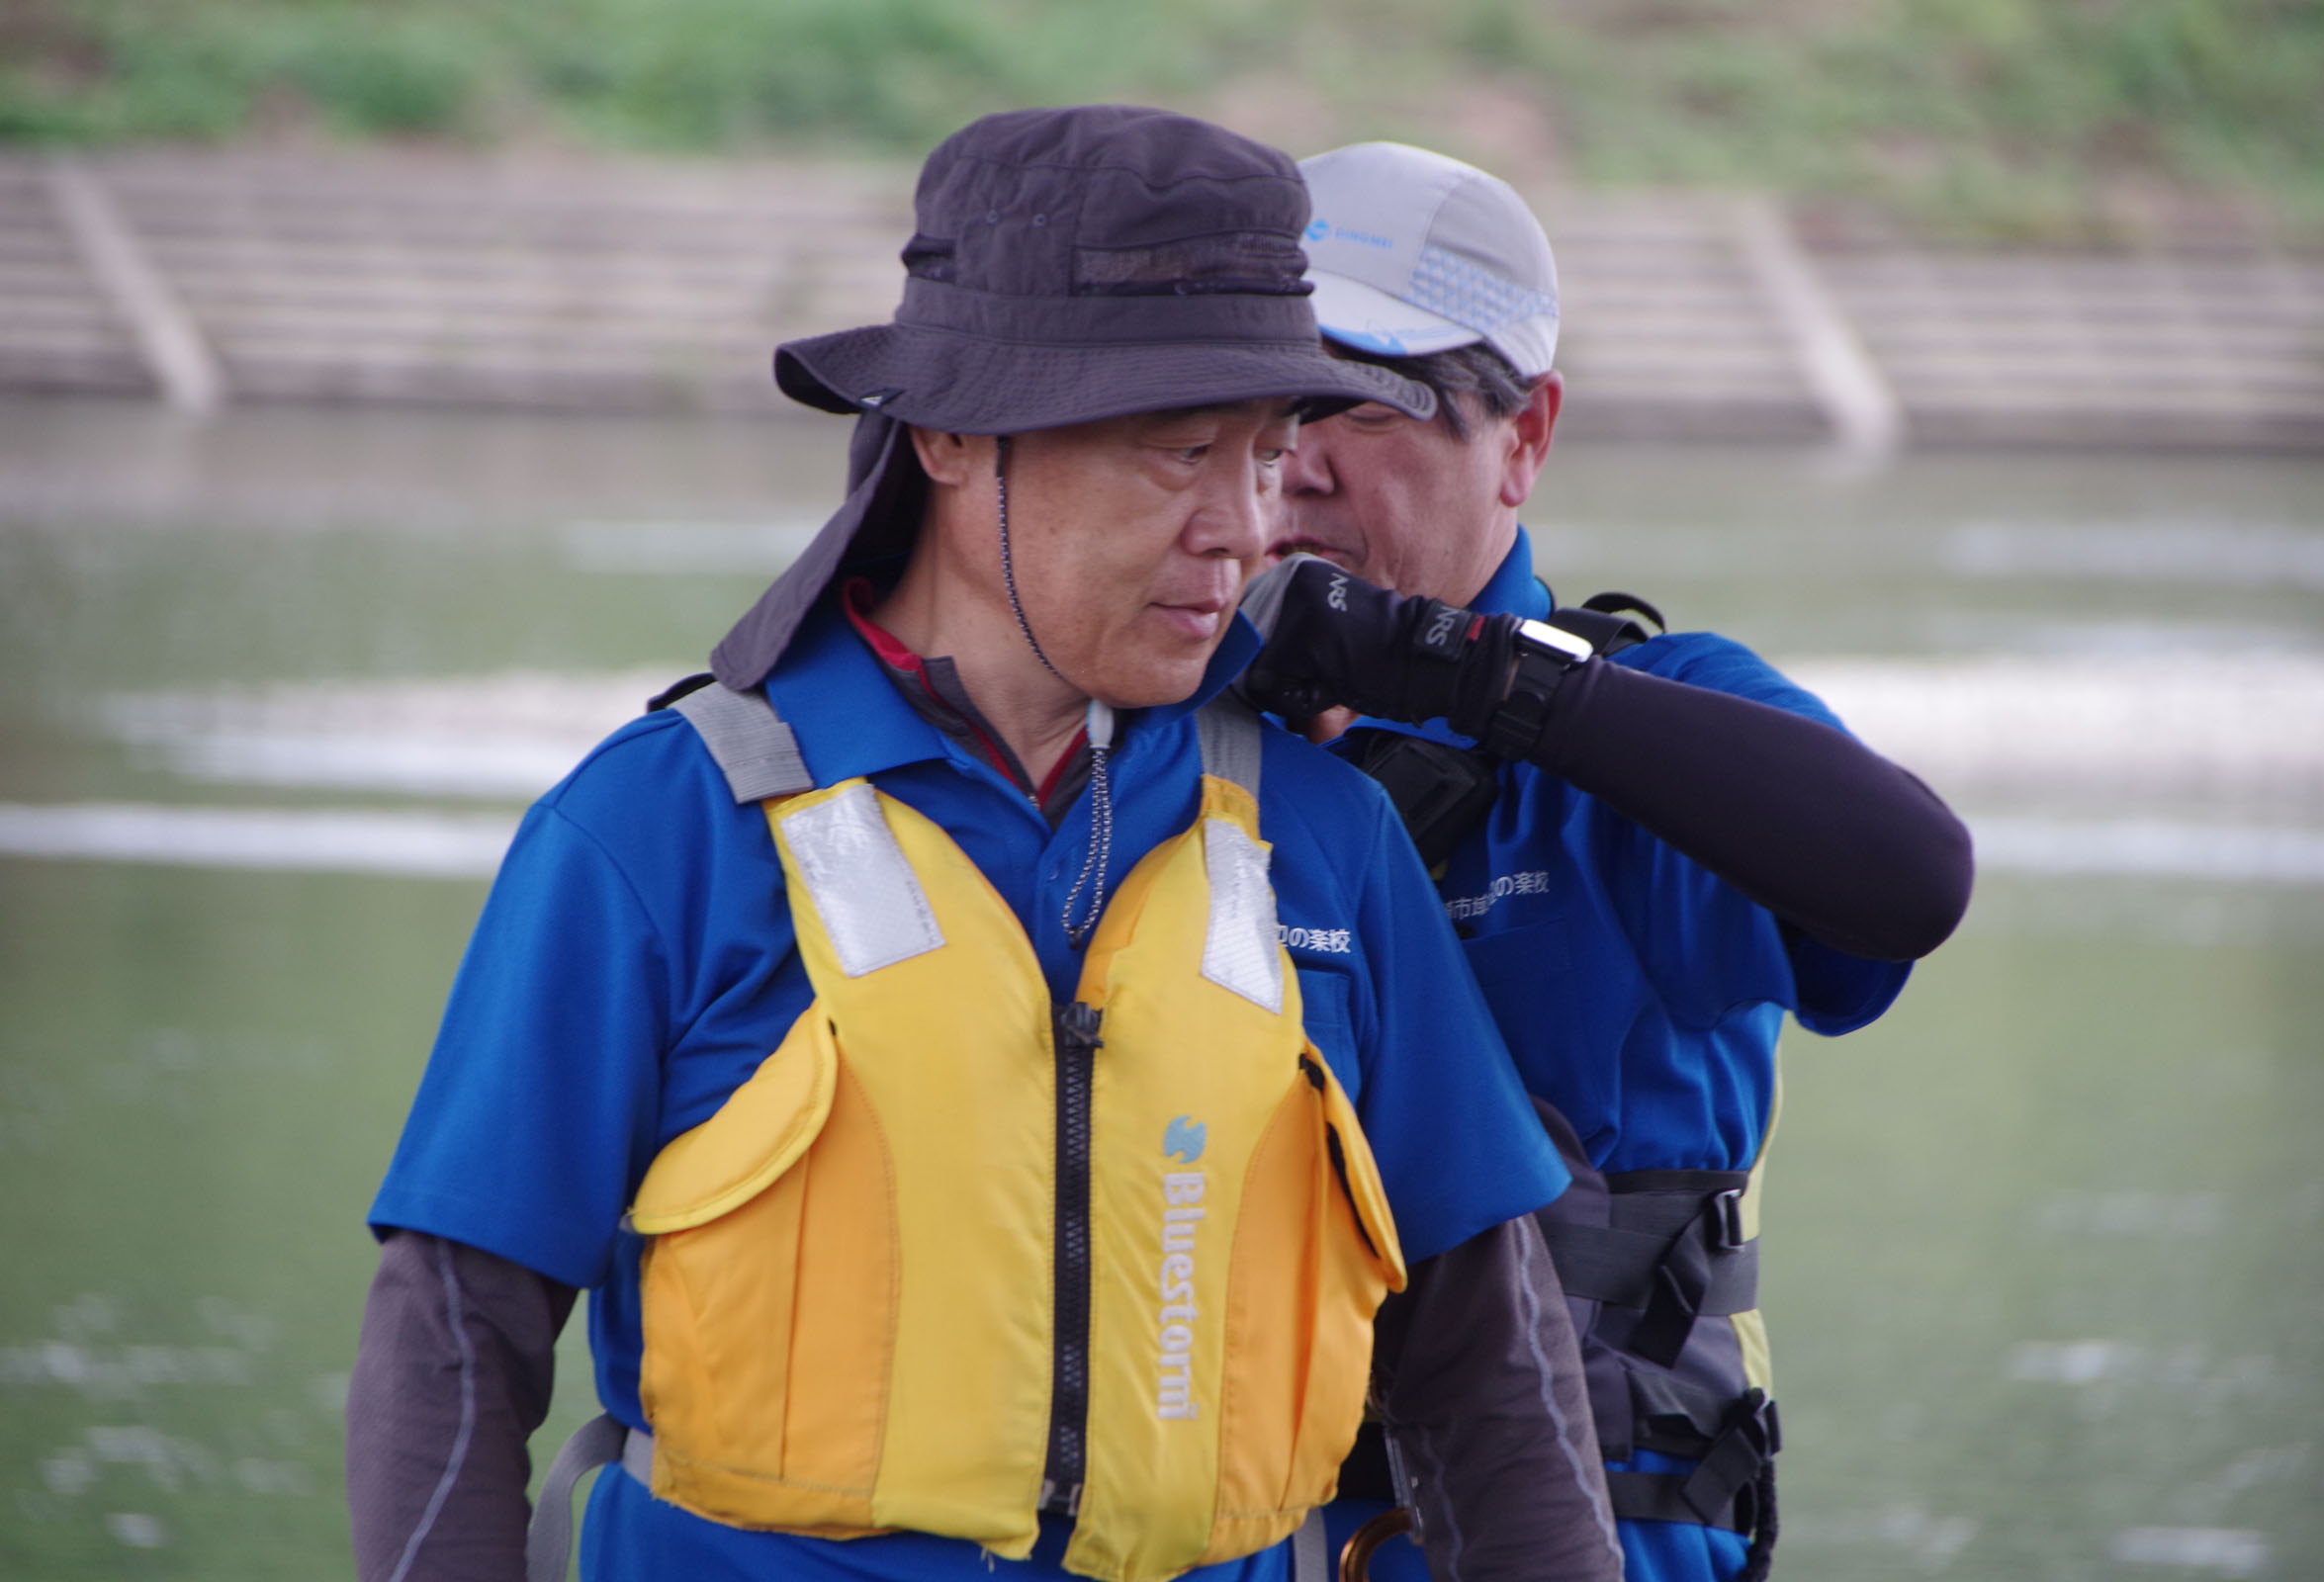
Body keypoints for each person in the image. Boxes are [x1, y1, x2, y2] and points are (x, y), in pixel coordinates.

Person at [346, 108, 1622, 1582]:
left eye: (1268, 453)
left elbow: (1490, 1373)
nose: (1243, 524)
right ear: (952, 436)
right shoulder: (660, 828)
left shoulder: (1322, 836)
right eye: (1178, 451)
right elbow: (454, 1334)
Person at [1242, 143, 1976, 1582]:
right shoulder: (1171, 752)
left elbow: (1911, 876)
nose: (1298, 458)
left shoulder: (1643, 736)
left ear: (1524, 440)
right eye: (1260, 405)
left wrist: (1468, 674)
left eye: (1362, 400)